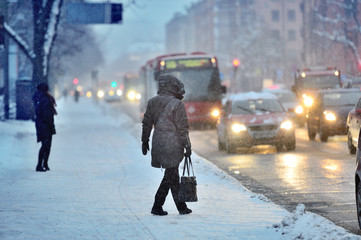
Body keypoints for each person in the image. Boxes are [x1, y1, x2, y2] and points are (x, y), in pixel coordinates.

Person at [142, 75, 192, 216]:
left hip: (158, 142)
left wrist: (144, 140)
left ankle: (179, 207)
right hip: (173, 144)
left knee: (172, 175)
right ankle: (159, 206)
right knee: (171, 175)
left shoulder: (152, 102)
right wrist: (187, 145)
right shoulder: (177, 104)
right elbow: (183, 128)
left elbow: (146, 123)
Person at [32, 82, 57, 172]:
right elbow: (46, 115)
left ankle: (44, 164)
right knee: (46, 145)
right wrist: (50, 125)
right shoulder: (45, 99)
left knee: (46, 145)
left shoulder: (40, 98)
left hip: (42, 124)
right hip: (45, 125)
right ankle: (40, 165)